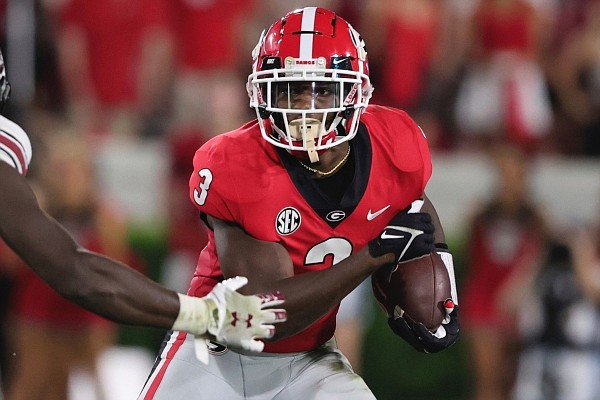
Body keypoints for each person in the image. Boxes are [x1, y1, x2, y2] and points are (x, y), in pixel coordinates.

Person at [138, 7, 459, 400]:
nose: (305, 108)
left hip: (309, 360)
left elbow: (418, 212)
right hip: (216, 353)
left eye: (322, 90)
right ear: (264, 93)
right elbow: (263, 314)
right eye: (292, 90)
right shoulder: (236, 163)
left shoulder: (394, 147)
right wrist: (371, 257)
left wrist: (437, 276)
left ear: (354, 93)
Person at [0, 47, 287, 395]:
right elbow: (76, 271)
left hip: (76, 321)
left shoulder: (99, 213)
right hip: (41, 318)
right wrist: (205, 314)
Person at [460, 143, 547, 400]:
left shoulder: (535, 217)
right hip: (484, 303)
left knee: (514, 381)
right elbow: (471, 258)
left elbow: (541, 256)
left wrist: (521, 287)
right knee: (489, 380)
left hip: (519, 305)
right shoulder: (483, 214)